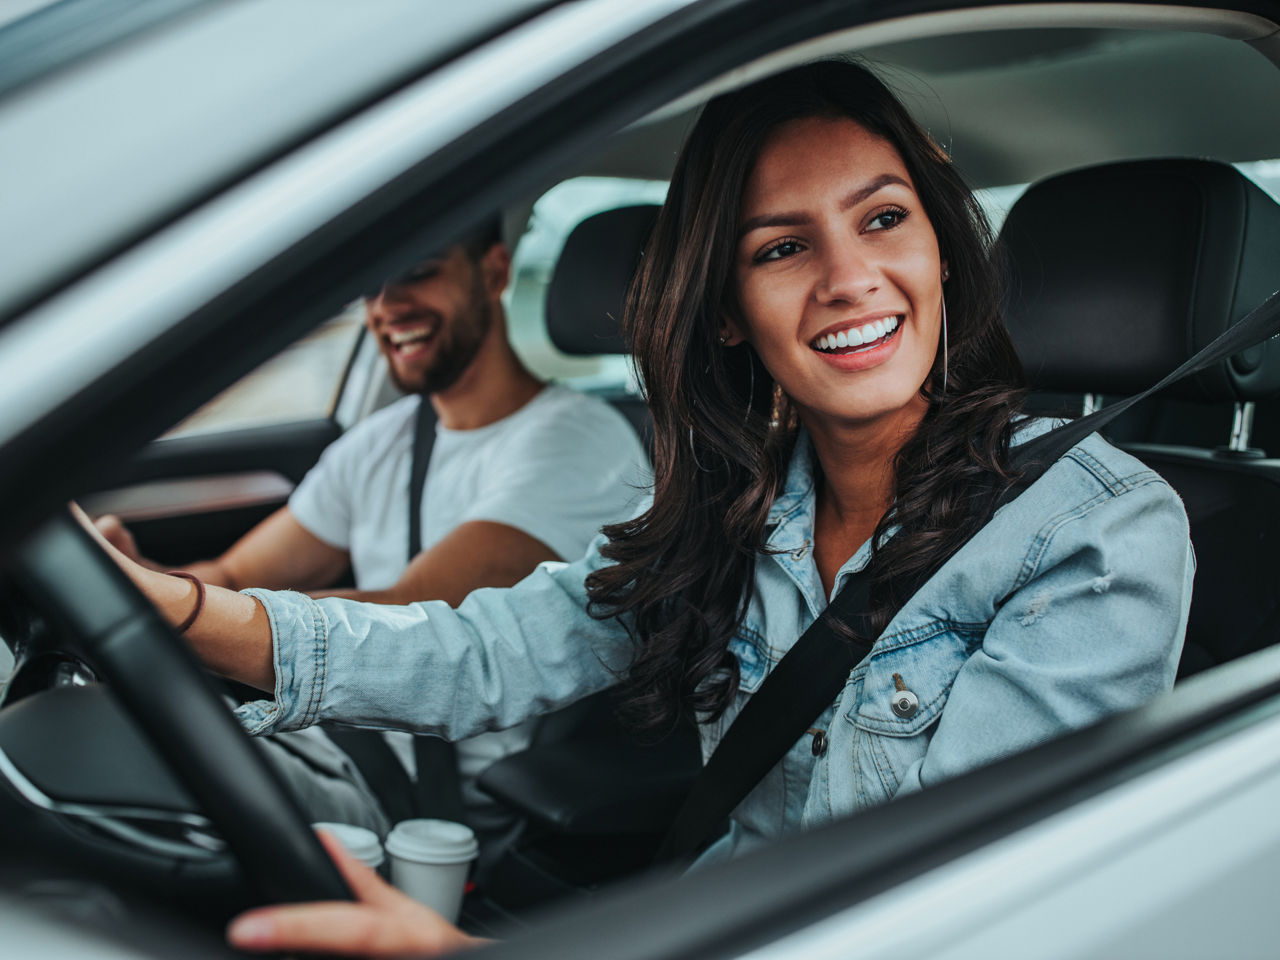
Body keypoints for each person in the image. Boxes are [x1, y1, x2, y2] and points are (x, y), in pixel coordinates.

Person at [83, 59, 1193, 956]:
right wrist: (163, 610)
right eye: (781, 247)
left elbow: (943, 918)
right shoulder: (730, 512)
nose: (849, 278)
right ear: (725, 314)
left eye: (883, 219)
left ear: (941, 254)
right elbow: (484, 653)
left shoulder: (1092, 533)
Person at [94, 219, 651, 849]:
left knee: (98, 758)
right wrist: (127, 577)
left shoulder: (577, 445)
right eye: (370, 286)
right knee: (90, 735)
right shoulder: (381, 440)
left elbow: (409, 618)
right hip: (318, 735)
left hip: (418, 805)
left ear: (494, 272)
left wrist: (166, 610)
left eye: (418, 271)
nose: (387, 306)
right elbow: (230, 578)